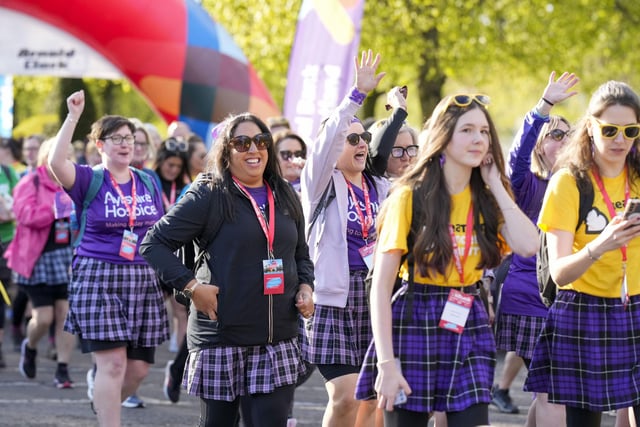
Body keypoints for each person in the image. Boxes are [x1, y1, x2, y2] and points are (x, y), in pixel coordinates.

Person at [354, 92, 539, 427]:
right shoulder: (410, 196)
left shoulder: (487, 198)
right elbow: (380, 287)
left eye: (484, 131)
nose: (479, 139)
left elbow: (529, 245)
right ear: (444, 134)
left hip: (469, 314)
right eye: (467, 130)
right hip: (414, 315)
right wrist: (387, 364)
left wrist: (497, 185)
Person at [140, 112, 315, 427]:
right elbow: (153, 244)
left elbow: (301, 253)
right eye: (242, 142)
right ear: (226, 150)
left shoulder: (285, 193)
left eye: (261, 141)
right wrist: (192, 287)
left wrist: (306, 287)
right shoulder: (208, 194)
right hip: (223, 337)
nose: (253, 149)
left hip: (277, 339)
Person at [48, 90, 169, 427]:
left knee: (139, 368)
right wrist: (72, 116)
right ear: (100, 145)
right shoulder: (89, 178)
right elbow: (56, 163)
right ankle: (109, 419)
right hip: (98, 276)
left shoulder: (148, 181)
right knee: (113, 364)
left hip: (143, 277)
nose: (125, 144)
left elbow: (160, 225)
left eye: (129, 138)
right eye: (116, 138)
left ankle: (103, 404)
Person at [524, 80, 640, 427]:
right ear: (590, 127)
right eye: (610, 130)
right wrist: (600, 244)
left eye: (630, 130)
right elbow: (559, 273)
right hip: (584, 312)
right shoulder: (569, 183)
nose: (620, 140)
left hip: (635, 306)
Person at [301, 49, 388, 427]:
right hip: (334, 295)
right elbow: (329, 139)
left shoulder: (380, 186)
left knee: (371, 395)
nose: (360, 144)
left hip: (374, 291)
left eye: (363, 138)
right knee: (345, 393)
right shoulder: (320, 183)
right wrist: (356, 96)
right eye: (351, 138)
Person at [492, 72, 578, 425]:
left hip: (565, 296)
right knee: (554, 392)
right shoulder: (526, 183)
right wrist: (544, 107)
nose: (565, 139)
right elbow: (517, 152)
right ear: (542, 144)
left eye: (569, 134)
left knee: (550, 390)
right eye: (556, 134)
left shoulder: (578, 187)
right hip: (529, 294)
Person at [5, 138, 76, 388]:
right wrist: (54, 211)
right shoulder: (30, 182)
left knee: (66, 315)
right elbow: (23, 215)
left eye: (68, 155)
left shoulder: (73, 183)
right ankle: (31, 345)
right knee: (43, 318)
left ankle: (63, 369)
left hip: (66, 258)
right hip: (37, 260)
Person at [369, 86, 419, 180]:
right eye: (397, 151)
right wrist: (400, 110)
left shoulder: (425, 185)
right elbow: (378, 155)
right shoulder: (374, 186)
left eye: (410, 149)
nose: (406, 157)